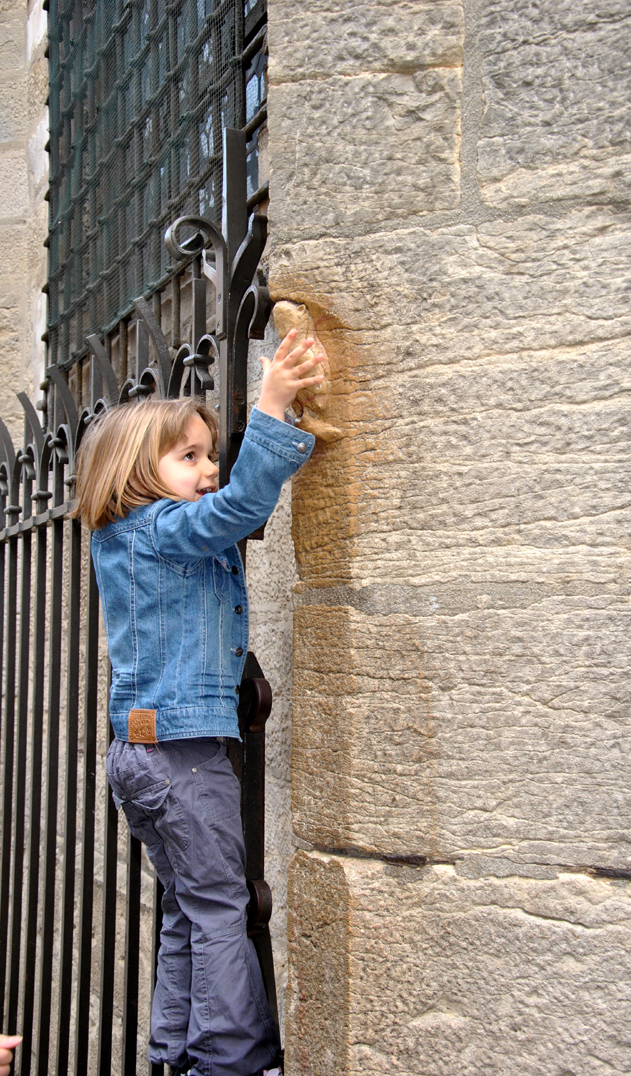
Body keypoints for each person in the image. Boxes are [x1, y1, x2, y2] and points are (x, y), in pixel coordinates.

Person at [73, 330, 321, 1076]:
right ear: (134, 472)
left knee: (187, 904)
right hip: (181, 757)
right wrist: (272, 408)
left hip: (139, 756)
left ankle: (178, 1049)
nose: (210, 469)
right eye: (190, 456)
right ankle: (231, 1060)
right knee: (219, 907)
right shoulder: (159, 528)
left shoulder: (122, 539)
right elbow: (237, 508)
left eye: (211, 454)